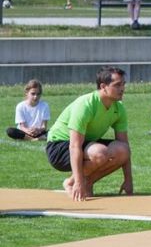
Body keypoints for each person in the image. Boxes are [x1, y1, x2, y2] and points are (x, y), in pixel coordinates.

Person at [46, 66, 133, 202]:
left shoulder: (119, 108)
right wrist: (78, 181)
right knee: (100, 152)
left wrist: (128, 180)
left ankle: (87, 182)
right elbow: (74, 146)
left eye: (123, 84)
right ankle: (73, 183)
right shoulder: (85, 104)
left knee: (123, 150)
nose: (122, 88)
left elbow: (125, 145)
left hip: (86, 144)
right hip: (59, 146)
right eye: (117, 85)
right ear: (103, 87)